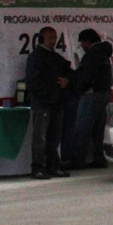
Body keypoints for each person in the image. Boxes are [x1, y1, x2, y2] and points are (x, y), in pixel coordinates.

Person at [25, 26, 72, 179]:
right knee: (40, 138)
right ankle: (38, 168)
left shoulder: (56, 57)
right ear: (41, 39)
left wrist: (67, 80)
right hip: (42, 104)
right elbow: (32, 82)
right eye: (50, 37)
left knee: (54, 138)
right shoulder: (35, 58)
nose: (53, 41)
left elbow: (70, 72)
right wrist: (46, 94)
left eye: (54, 37)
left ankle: (53, 166)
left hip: (57, 103)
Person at [71, 28, 113, 168]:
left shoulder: (92, 54)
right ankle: (99, 158)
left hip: (91, 94)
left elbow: (87, 76)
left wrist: (78, 89)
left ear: (87, 41)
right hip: (104, 93)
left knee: (82, 127)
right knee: (98, 128)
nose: (81, 46)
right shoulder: (104, 53)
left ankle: (78, 160)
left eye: (82, 43)